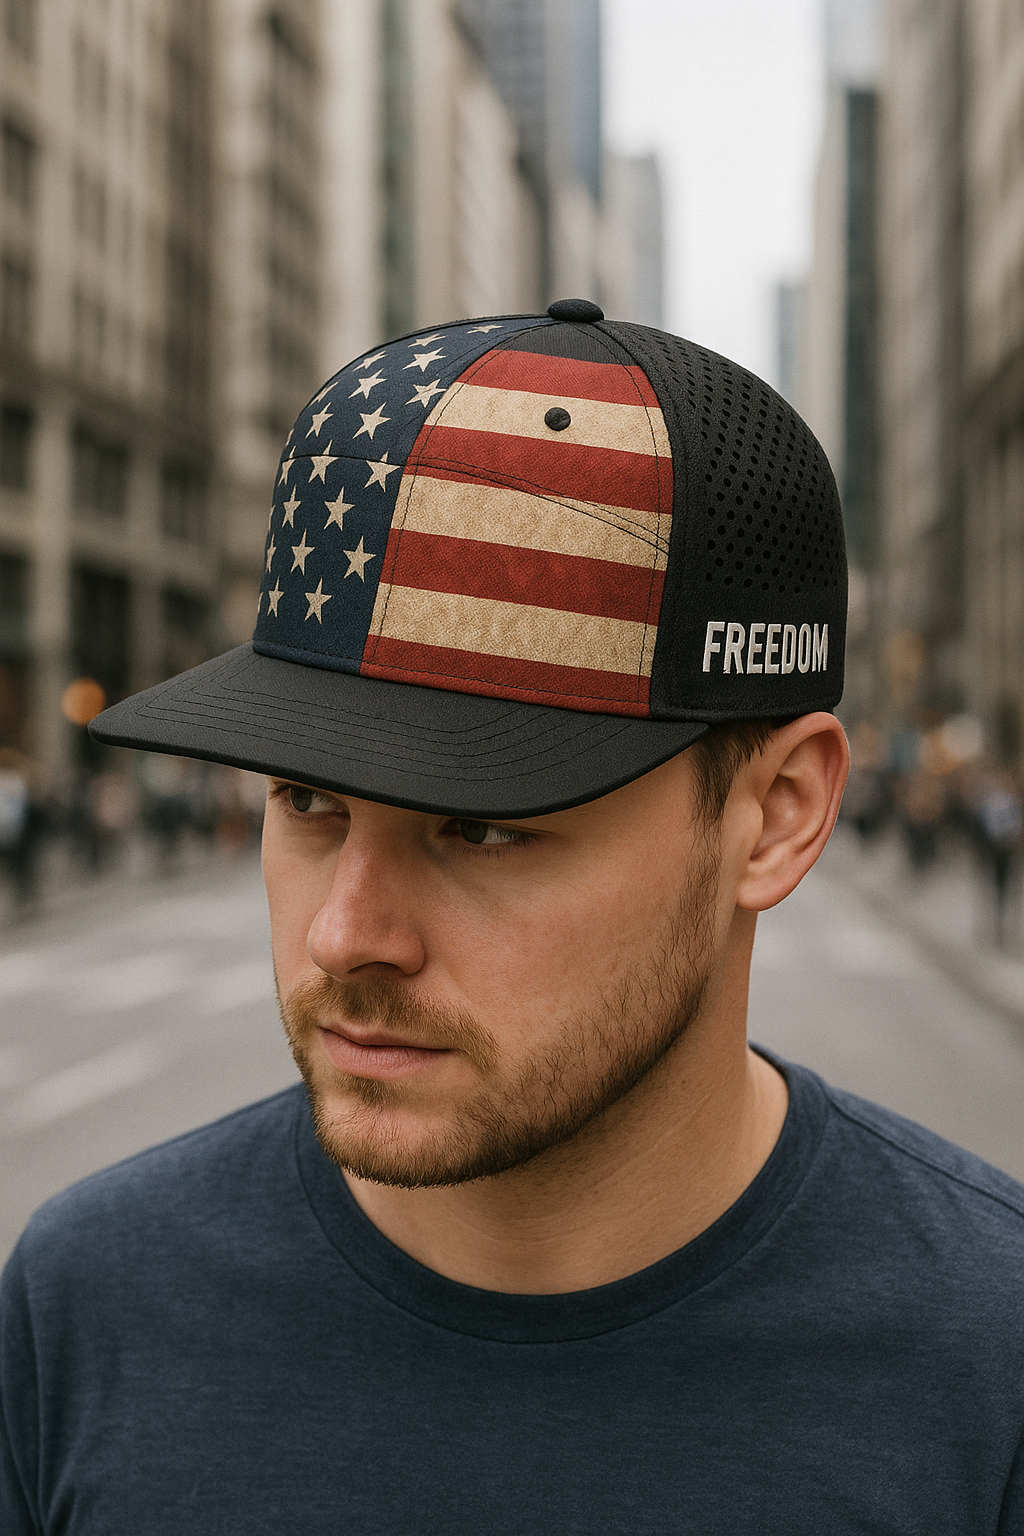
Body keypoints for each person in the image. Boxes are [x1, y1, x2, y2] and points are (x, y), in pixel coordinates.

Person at [2, 301, 1022, 1533]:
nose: (344, 935)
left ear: (776, 817)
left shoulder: (988, 1360)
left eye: (482, 826)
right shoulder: (85, 1306)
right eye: (308, 800)